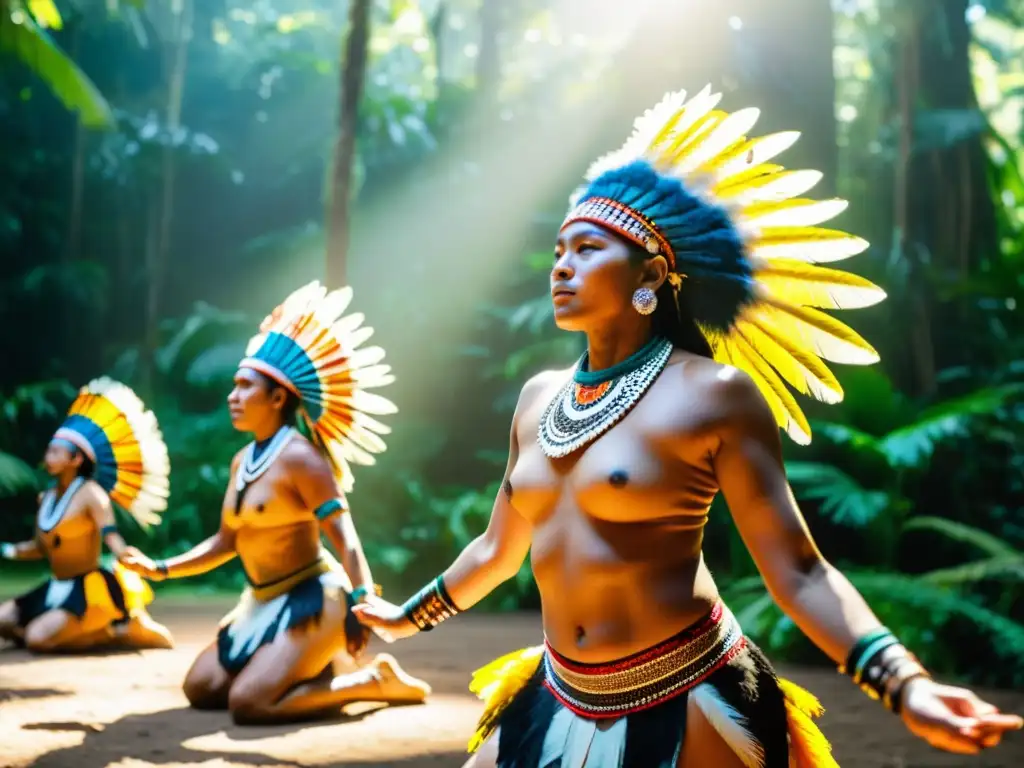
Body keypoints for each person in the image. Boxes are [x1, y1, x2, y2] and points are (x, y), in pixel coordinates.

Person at [352, 85, 1023, 767]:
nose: (562, 265)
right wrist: (407, 618)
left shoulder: (715, 395)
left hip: (688, 698)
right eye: (559, 249)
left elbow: (798, 569)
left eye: (587, 248)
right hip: (558, 692)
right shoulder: (538, 399)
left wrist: (904, 684)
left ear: (652, 272)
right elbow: (498, 549)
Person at [120, 281, 430, 725]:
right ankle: (311, 665)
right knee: (202, 689)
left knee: (250, 703)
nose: (233, 396)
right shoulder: (241, 461)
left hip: (314, 598)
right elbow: (227, 541)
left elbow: (347, 540)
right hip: (261, 601)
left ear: (278, 397)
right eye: (234, 386)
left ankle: (371, 682)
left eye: (246, 387)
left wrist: (362, 608)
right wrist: (161, 568)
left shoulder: (301, 459)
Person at [0, 377, 174, 652]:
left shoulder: (92, 494)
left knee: (35, 638)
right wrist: (7, 550)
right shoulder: (45, 498)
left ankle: (117, 630)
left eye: (56, 452)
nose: (48, 456)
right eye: (49, 450)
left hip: (85, 587)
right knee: (3, 621)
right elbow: (41, 548)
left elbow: (111, 537)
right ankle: (63, 631)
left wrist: (129, 557)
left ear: (76, 459)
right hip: (55, 584)